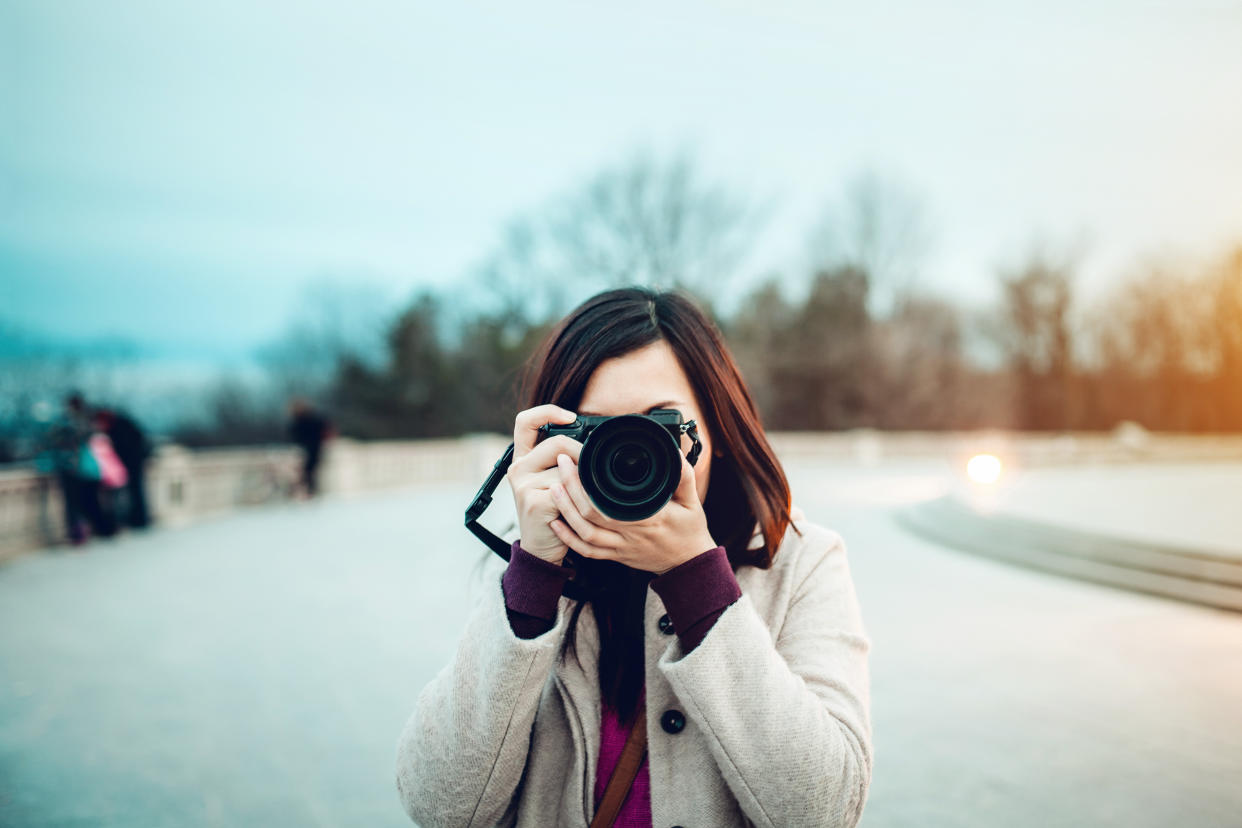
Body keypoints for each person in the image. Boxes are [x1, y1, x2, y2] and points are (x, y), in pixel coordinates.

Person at [395, 288, 873, 827]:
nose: (632, 454)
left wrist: (697, 582)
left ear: (715, 429)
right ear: (549, 438)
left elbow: (826, 810)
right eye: (596, 431)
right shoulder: (531, 566)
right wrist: (532, 577)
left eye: (660, 425)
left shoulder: (798, 562)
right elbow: (440, 808)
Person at [94, 407, 153, 528]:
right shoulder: (123, 424)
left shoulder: (118, 428)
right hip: (132, 463)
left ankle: (138, 519)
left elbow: (125, 446)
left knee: (134, 492)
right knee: (135, 492)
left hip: (130, 463)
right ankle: (138, 519)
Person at [287, 399, 332, 498]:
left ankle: (306, 490)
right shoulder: (310, 419)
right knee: (307, 470)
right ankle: (306, 490)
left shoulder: (307, 420)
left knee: (308, 470)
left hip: (311, 448)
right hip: (309, 448)